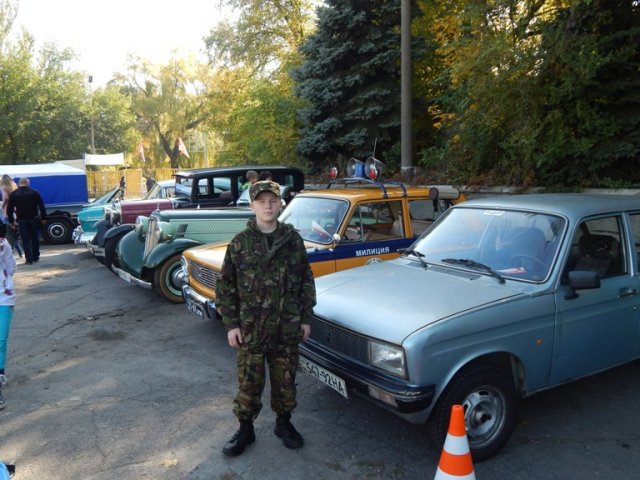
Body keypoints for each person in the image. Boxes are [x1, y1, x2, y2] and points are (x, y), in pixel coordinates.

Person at [216, 180, 316, 457]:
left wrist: (306, 317)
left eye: (273, 200)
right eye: (261, 201)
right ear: (252, 206)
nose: (268, 205)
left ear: (281, 203)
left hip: (287, 327)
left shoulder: (292, 241)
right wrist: (231, 325)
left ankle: (284, 425)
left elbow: (306, 280)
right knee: (249, 383)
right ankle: (245, 429)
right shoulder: (239, 244)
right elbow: (225, 287)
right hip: (251, 329)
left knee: (285, 380)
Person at [7, 177, 46, 265]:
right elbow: (41, 206)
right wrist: (43, 218)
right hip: (34, 219)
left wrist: (11, 221)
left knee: (25, 240)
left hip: (22, 220)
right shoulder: (35, 192)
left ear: (19, 183)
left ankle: (28, 259)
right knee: (35, 238)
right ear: (28, 183)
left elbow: (9, 209)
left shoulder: (14, 194)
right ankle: (36, 256)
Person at [0, 222, 16, 410]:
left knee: (1, 341)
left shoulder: (4, 245)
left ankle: (0, 374)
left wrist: (5, 282)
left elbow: (11, 267)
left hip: (4, 298)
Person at [0, 175, 22, 258]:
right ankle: (19, 253)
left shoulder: (3, 187)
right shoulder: (14, 186)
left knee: (8, 235)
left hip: (6, 212)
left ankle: (11, 254)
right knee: (13, 234)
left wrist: (2, 206)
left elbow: (5, 199)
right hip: (14, 212)